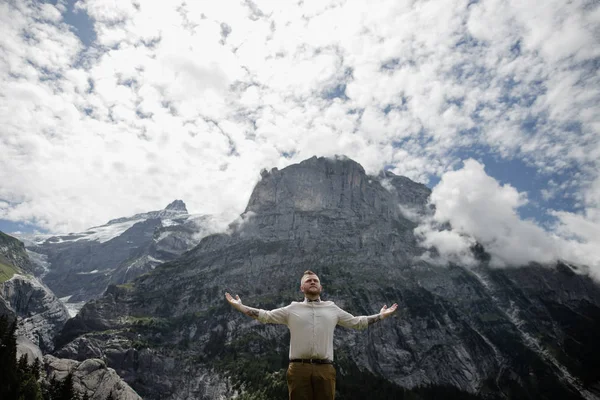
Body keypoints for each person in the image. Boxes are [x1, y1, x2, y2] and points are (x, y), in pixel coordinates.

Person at [225, 270, 398, 400]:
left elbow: (357, 322)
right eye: (309, 281)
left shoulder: (332, 308)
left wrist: (381, 316)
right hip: (298, 369)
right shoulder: (292, 309)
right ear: (302, 288)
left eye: (315, 280)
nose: (313, 282)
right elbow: (265, 316)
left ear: (321, 287)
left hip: (325, 368)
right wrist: (240, 306)